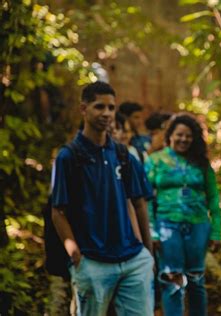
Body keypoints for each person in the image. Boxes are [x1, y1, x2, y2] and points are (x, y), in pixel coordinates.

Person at [51, 81, 154, 316]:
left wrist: (147, 253)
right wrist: (77, 257)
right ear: (83, 109)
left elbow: (138, 203)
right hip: (93, 262)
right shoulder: (68, 156)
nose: (106, 113)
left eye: (111, 107)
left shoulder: (122, 154)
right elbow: (58, 212)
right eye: (99, 107)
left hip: (132, 259)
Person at [146, 114, 221, 316]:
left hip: (199, 227)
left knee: (196, 278)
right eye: (179, 134)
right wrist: (152, 232)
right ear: (170, 135)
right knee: (172, 278)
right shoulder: (155, 161)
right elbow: (146, 200)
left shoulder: (202, 163)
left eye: (188, 136)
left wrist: (216, 232)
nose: (184, 139)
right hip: (167, 226)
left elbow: (213, 199)